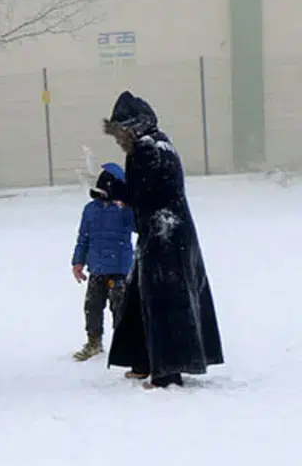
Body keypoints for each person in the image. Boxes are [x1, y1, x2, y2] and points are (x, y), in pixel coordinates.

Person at [100, 90, 223, 388]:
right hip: (172, 231)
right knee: (142, 296)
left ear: (131, 126)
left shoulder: (145, 148)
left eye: (119, 132)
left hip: (163, 236)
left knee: (163, 300)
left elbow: (139, 194)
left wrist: (111, 187)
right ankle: (143, 360)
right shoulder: (162, 143)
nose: (118, 140)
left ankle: (166, 371)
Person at [70, 163, 136, 361]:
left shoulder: (125, 210)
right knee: (92, 307)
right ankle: (94, 342)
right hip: (97, 268)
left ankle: (125, 345)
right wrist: (78, 262)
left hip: (119, 269)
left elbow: (137, 226)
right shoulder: (90, 210)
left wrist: (127, 206)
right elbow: (83, 238)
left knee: (120, 308)